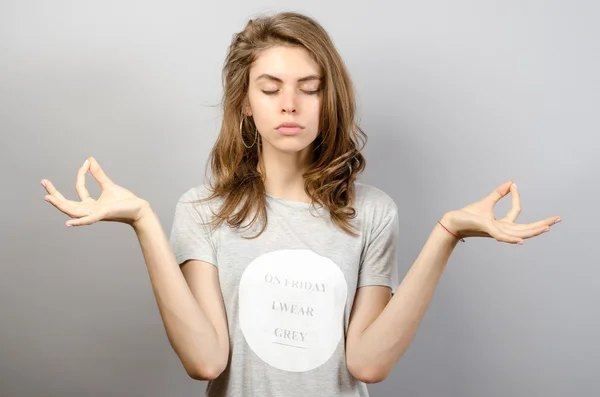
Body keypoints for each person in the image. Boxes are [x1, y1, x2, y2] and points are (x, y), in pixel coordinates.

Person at [40, 11, 561, 397]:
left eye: (308, 88)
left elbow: (368, 363)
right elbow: (205, 360)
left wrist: (446, 235)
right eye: (270, 89)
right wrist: (144, 224)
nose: (289, 103)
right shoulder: (203, 211)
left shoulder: (373, 213)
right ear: (246, 103)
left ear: (326, 99)